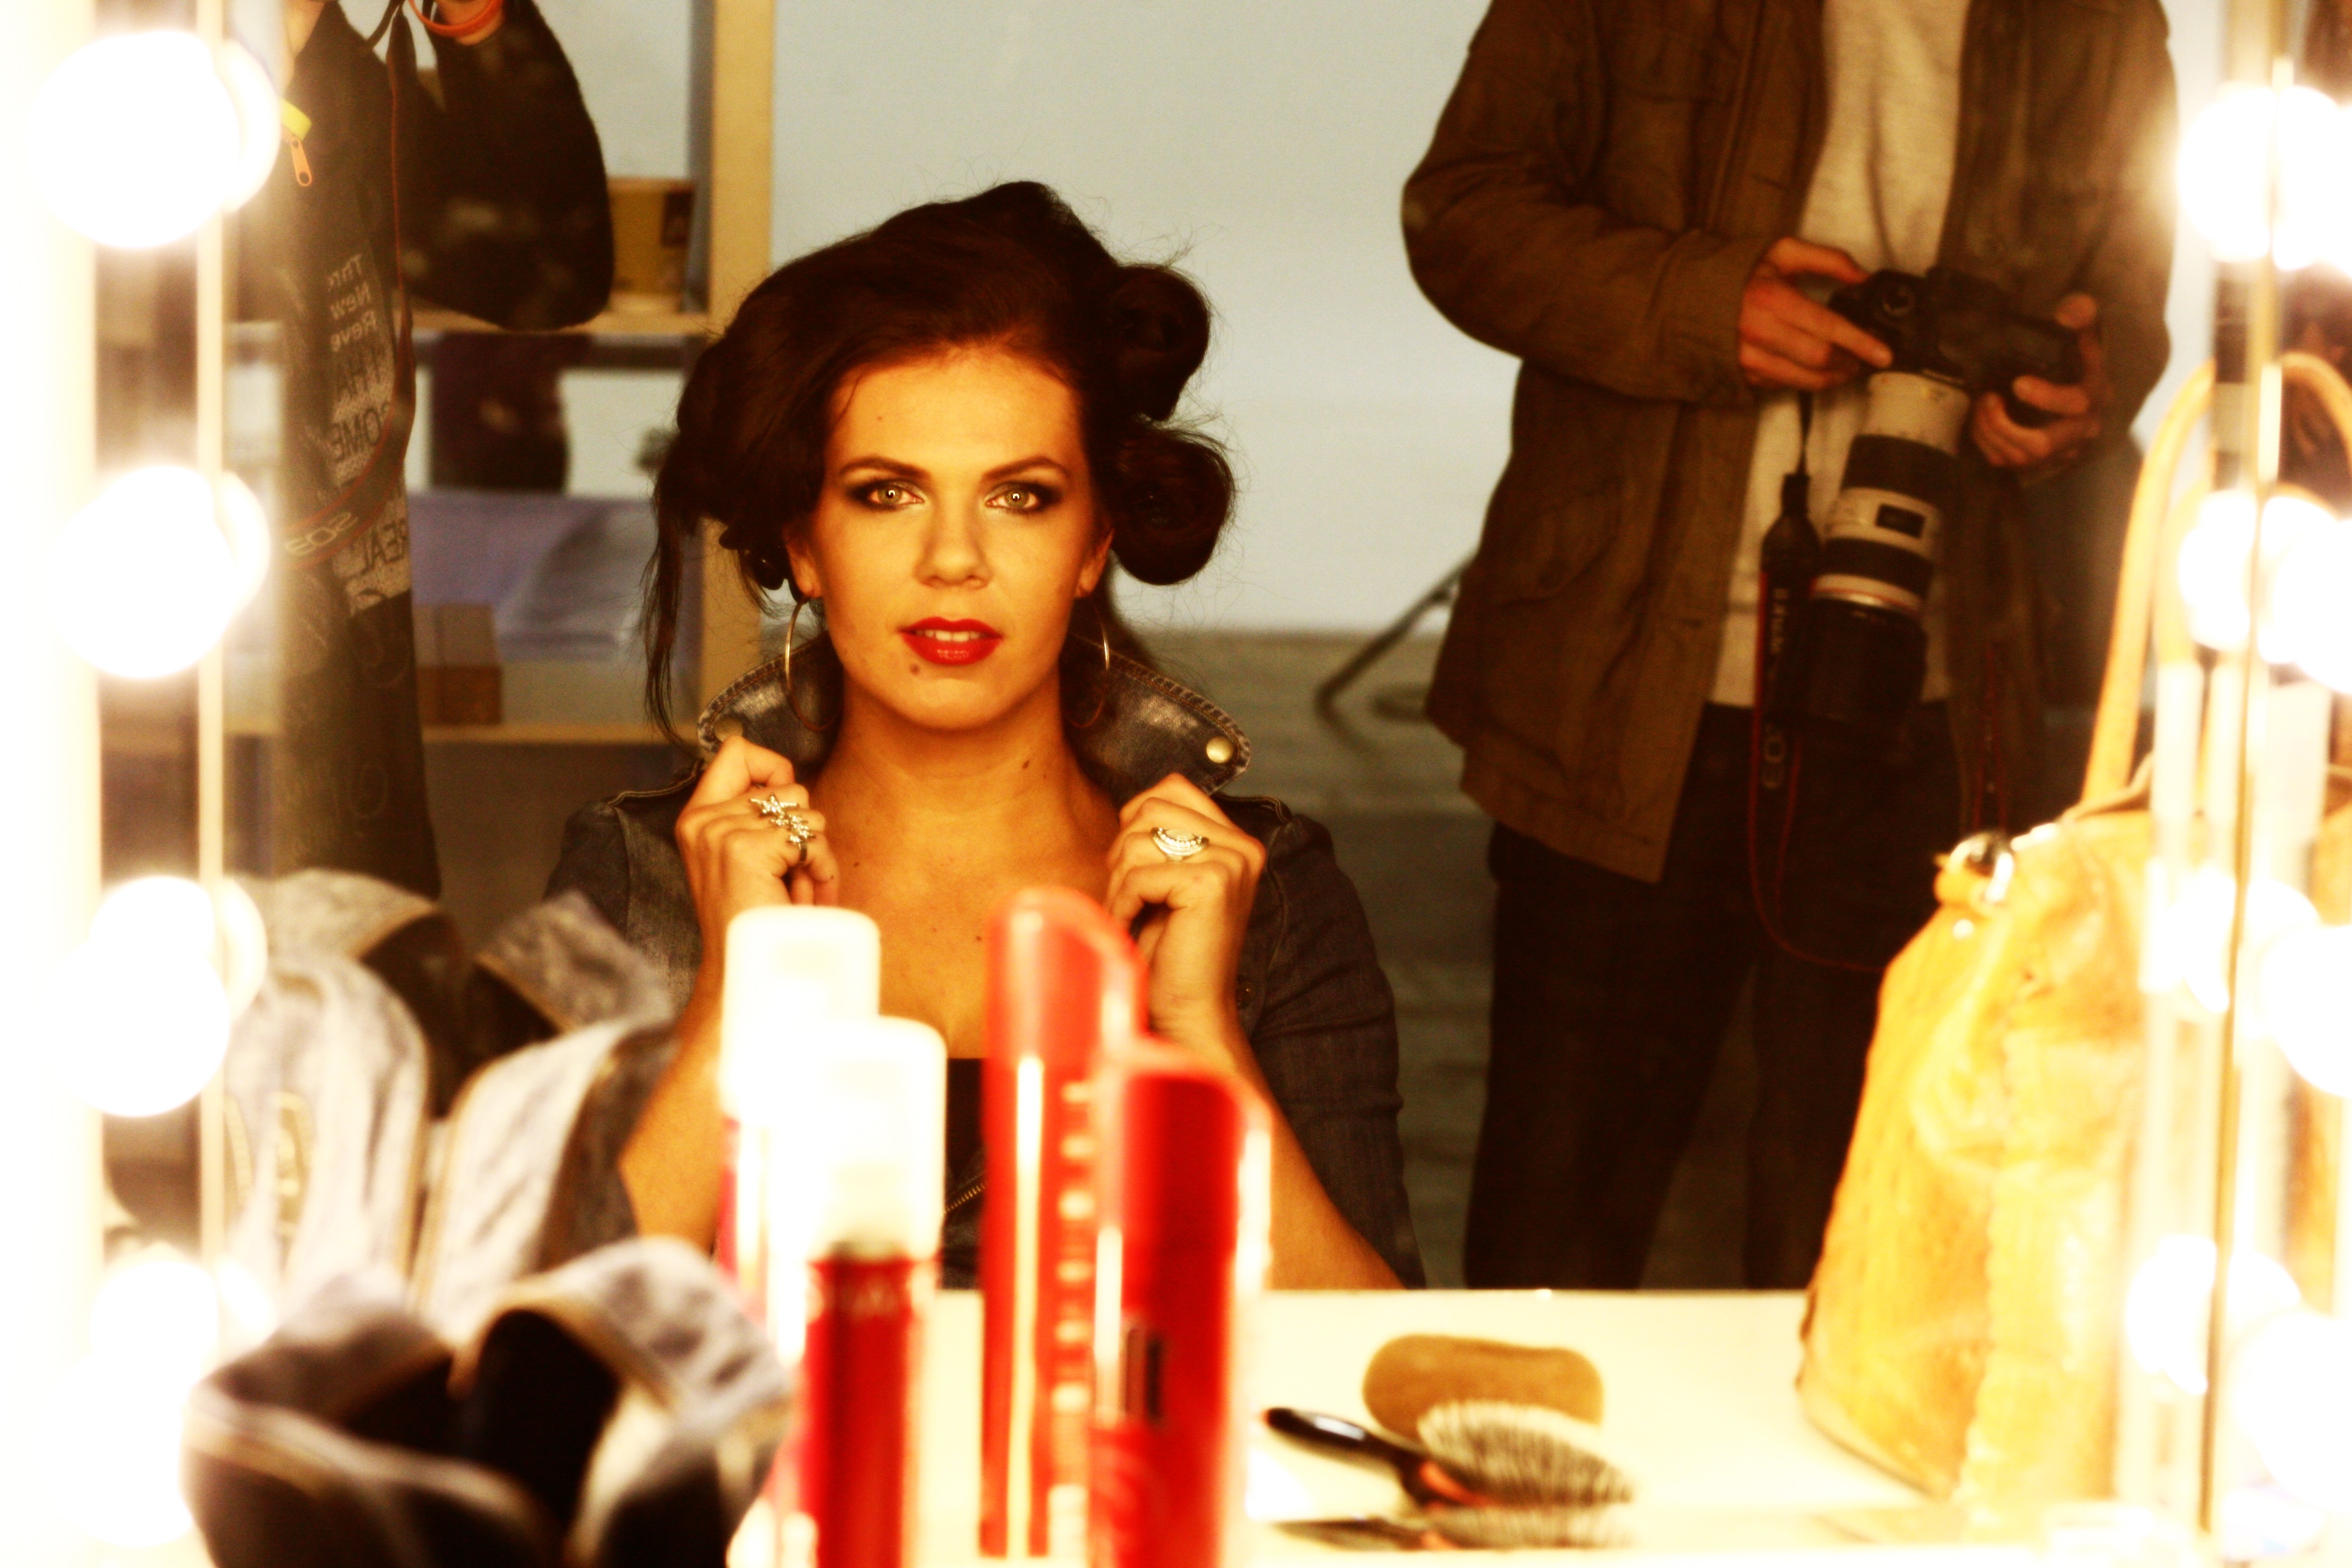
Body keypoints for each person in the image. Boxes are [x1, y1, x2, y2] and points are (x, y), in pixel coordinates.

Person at [1402, 0, 2175, 1289]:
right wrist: (1706, 306)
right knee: (1557, 1246)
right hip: (1621, 691)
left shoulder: (2100, 18)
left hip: (1929, 708)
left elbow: (2128, 308)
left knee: (1868, 1254)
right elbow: (1463, 213)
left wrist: (2078, 397)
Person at [548, 183, 1422, 1290]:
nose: (953, 559)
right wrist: (733, 1005)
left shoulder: (1267, 896)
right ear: (804, 546)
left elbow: (1382, 1352)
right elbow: (536, 1352)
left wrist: (1200, 1032)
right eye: (886, 494)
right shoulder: (637, 878)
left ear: (1095, 542)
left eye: (1020, 497)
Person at [250, 0, 611, 894]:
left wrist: (472, 12)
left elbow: (545, 270)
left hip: (336, 710)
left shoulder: (341, 82)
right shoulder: (92, 63)